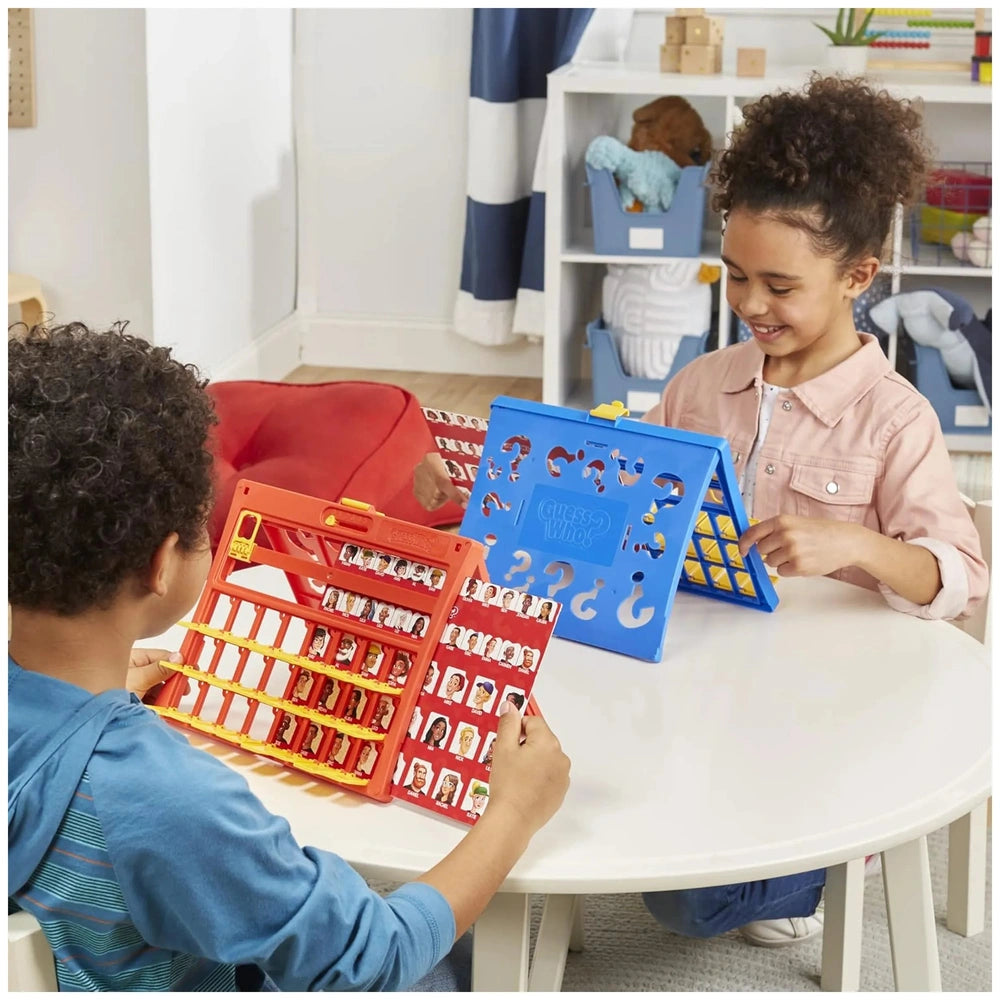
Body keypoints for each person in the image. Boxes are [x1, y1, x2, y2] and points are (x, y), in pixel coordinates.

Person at [413, 76, 990, 948]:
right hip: (698, 684)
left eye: (781, 286)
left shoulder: (895, 419)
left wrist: (858, 544)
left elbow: (959, 577)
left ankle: (832, 858)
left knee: (685, 902)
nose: (751, 304)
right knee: (566, 781)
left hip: (820, 711)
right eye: (737, 276)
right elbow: (617, 494)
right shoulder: (700, 385)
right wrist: (484, 489)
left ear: (858, 277)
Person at [8, 323, 572, 992]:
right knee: (449, 965)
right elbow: (374, 959)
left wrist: (100, 705)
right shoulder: (169, 800)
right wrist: (513, 813)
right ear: (162, 563)